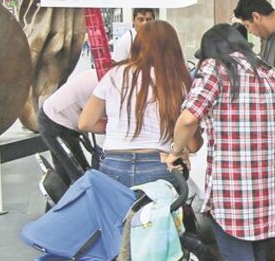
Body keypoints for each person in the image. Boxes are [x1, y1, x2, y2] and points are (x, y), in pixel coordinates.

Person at [168, 23, 275, 261]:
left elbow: (188, 118)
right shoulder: (270, 72)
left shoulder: (216, 69)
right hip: (270, 189)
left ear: (209, 49)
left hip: (235, 192)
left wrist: (177, 151)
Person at [79, 19, 191, 190]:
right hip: (159, 165)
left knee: (118, 216)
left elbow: (85, 122)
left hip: (114, 165)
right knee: (160, 216)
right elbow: (192, 139)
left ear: (138, 45)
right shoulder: (177, 81)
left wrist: (119, 127)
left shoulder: (114, 75)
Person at [39, 68, 99, 186]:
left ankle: (60, 204)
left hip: (60, 118)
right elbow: (87, 122)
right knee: (79, 177)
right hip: (56, 121)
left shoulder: (104, 75)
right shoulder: (106, 84)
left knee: (68, 175)